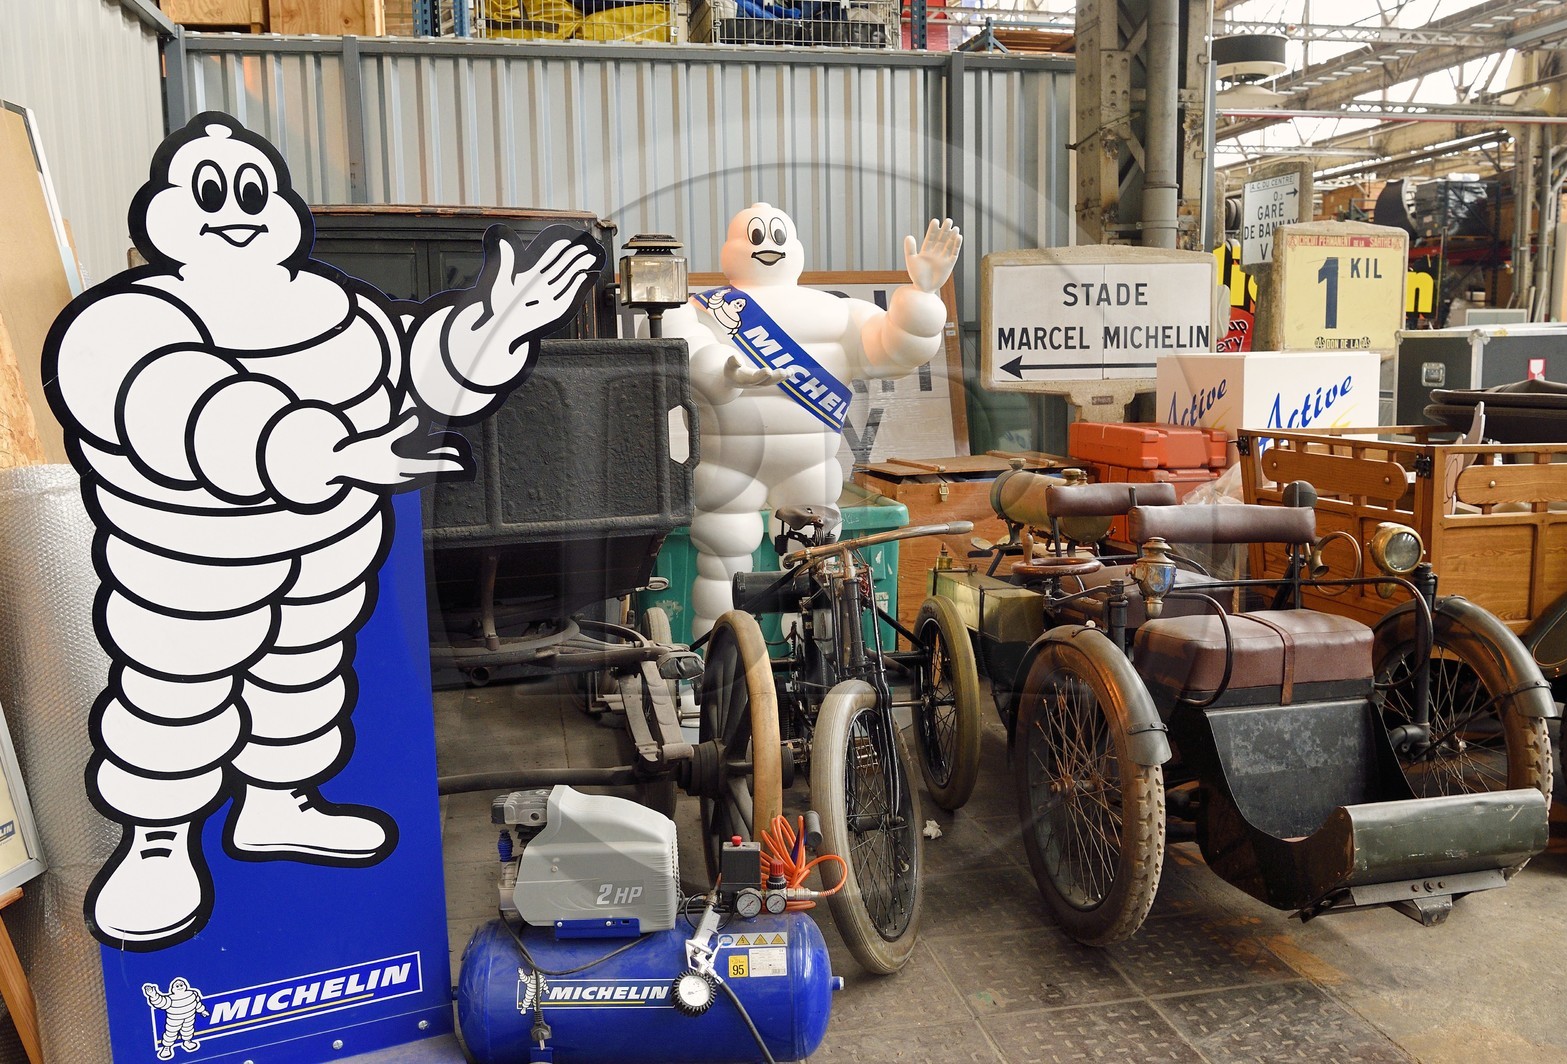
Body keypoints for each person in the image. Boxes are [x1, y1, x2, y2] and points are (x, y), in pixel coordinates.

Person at [44, 111, 599, 951]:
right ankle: (158, 843)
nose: (235, 209)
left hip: (323, 554)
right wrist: (325, 451)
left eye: (251, 191)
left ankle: (278, 804)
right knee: (174, 695)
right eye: (210, 192)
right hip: (192, 564)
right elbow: (184, 404)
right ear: (167, 213)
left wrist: (497, 323)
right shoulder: (125, 323)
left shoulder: (331, 307)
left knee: (301, 681)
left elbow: (414, 366)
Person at [660, 202, 960, 638]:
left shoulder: (838, 312)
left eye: (777, 235)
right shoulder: (701, 308)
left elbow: (894, 348)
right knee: (723, 562)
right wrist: (722, 371)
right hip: (728, 462)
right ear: (732, 248)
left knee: (816, 569)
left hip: (809, 463)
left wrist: (921, 297)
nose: (768, 245)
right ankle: (718, 661)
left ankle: (814, 664)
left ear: (795, 246)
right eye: (756, 235)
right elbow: (683, 347)